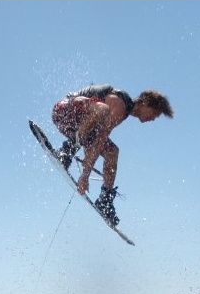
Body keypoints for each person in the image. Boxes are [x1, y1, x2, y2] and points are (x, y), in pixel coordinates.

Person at [52, 84, 173, 225]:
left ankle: (105, 200)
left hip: (79, 127)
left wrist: (87, 165)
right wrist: (85, 176)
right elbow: (99, 140)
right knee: (103, 109)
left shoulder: (125, 111)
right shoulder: (119, 105)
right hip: (63, 112)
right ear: (145, 103)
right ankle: (67, 151)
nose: (153, 119)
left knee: (112, 152)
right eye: (155, 113)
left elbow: (97, 139)